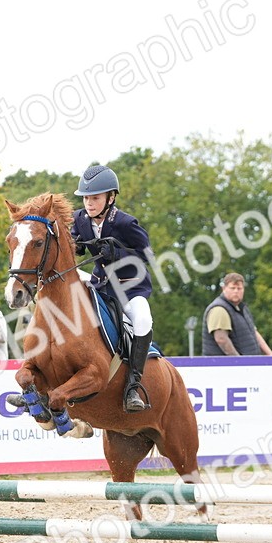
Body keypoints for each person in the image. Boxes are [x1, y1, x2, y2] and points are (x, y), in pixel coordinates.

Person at [69, 164, 156, 412]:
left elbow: (147, 255)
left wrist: (117, 253)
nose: (89, 203)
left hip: (130, 288)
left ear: (111, 197)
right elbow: (76, 242)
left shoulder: (126, 223)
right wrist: (74, 246)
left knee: (143, 321)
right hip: (101, 285)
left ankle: (133, 386)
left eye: (95, 198)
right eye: (86, 198)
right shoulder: (79, 219)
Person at [202, 273, 272, 356]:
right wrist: (239, 360)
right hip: (226, 364)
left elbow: (254, 333)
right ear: (224, 288)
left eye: (239, 288)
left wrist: (271, 356)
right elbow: (221, 339)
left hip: (248, 362)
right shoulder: (219, 309)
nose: (236, 291)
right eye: (232, 288)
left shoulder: (242, 308)